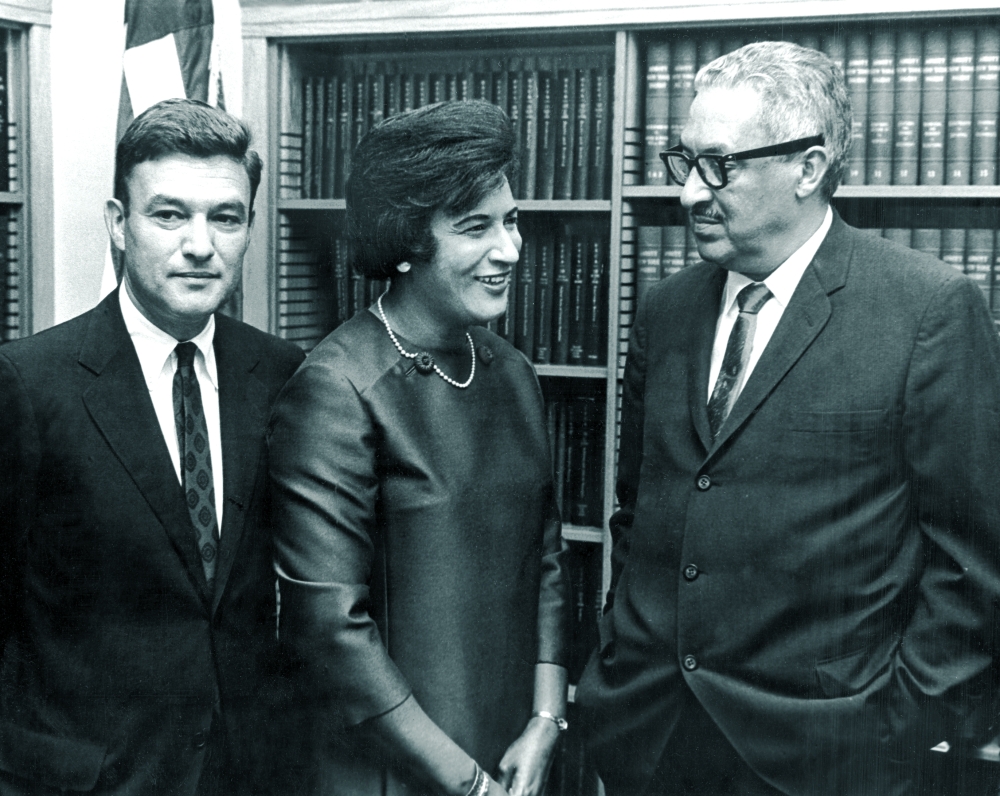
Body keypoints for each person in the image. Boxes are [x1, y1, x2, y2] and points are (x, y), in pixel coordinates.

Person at [575, 41, 1000, 796]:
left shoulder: (928, 310)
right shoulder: (667, 309)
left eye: (721, 166)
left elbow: (975, 567)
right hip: (651, 738)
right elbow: (640, 513)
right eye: (685, 162)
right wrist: (616, 657)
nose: (688, 195)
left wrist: (896, 732)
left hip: (827, 755)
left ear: (809, 167)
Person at [0, 98, 305, 795]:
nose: (200, 244)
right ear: (118, 224)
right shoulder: (27, 382)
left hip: (246, 772)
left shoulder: (283, 374)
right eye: (170, 214)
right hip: (86, 779)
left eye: (225, 217)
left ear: (250, 227)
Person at [268, 100, 570, 796]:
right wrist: (465, 784)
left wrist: (546, 719)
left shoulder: (513, 373)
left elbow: (546, 557)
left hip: (510, 750)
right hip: (390, 771)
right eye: (476, 229)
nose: (509, 250)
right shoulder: (337, 388)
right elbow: (331, 631)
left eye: (512, 221)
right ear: (407, 240)